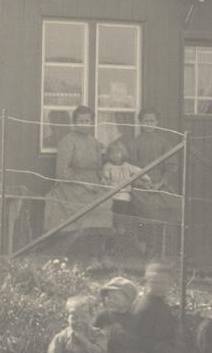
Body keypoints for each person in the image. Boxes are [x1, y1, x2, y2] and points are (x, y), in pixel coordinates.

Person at [43, 105, 113, 236]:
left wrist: (103, 179)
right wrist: (84, 184)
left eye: (87, 121)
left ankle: (96, 249)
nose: (84, 125)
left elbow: (98, 168)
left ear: (91, 122)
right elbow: (62, 172)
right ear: (74, 123)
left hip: (93, 183)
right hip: (72, 184)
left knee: (105, 202)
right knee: (86, 205)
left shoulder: (95, 142)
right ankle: (80, 245)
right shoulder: (67, 141)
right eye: (80, 121)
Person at [131, 261, 188, 353]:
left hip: (164, 352)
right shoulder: (144, 307)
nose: (160, 286)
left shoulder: (160, 304)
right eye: (154, 282)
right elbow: (138, 339)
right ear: (145, 283)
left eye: (164, 283)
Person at [125, 108, 182, 256]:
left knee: (173, 206)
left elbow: (171, 165)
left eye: (152, 121)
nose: (149, 124)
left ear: (157, 122)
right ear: (140, 123)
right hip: (141, 185)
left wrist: (161, 183)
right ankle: (148, 247)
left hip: (160, 184)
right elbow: (131, 167)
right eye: (145, 121)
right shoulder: (134, 143)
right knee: (148, 210)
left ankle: (165, 249)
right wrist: (142, 182)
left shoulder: (163, 142)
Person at [100, 142, 149, 227]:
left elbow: (139, 171)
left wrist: (146, 179)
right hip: (112, 196)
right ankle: (116, 230)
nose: (115, 155)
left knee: (125, 215)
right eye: (112, 153)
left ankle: (121, 230)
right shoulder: (108, 166)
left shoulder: (127, 166)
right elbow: (105, 177)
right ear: (108, 155)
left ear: (122, 154)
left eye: (118, 152)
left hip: (124, 196)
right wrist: (105, 180)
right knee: (112, 217)